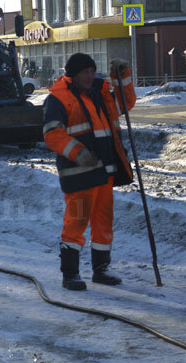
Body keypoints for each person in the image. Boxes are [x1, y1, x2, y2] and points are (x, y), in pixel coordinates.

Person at [43, 52, 135, 290]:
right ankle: (70, 273)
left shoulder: (100, 95)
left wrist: (122, 76)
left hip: (104, 171)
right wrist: (78, 153)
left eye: (92, 71)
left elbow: (126, 103)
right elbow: (52, 134)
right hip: (79, 174)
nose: (89, 75)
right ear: (73, 74)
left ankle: (101, 269)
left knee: (103, 222)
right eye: (85, 71)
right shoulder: (58, 99)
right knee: (76, 221)